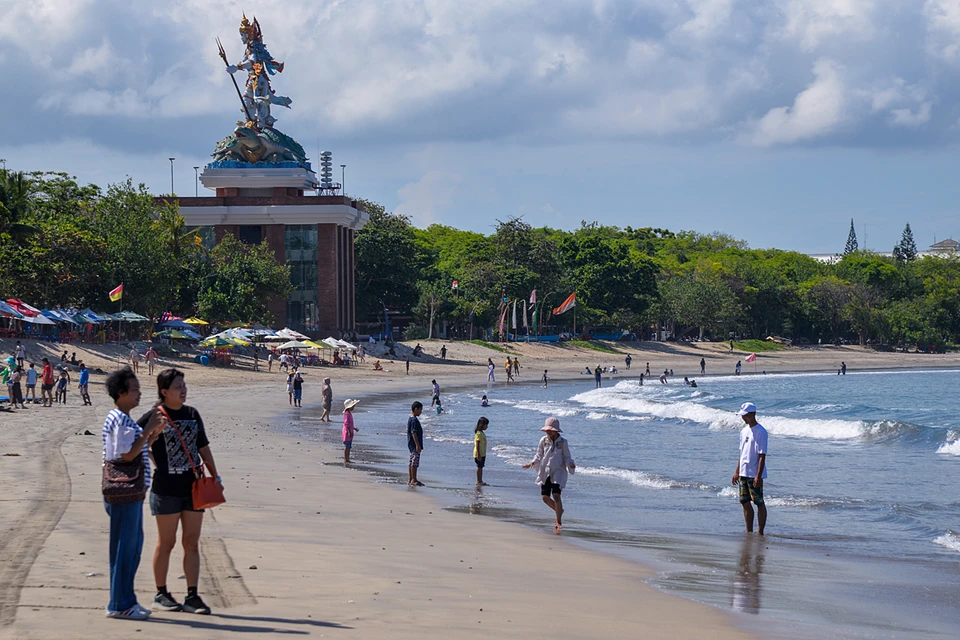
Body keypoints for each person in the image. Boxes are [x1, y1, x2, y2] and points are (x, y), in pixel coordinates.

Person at [138, 368, 220, 615]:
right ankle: (161, 594)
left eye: (184, 385)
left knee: (191, 542)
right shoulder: (154, 416)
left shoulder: (193, 414)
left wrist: (215, 476)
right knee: (167, 542)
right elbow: (136, 445)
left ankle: (192, 596)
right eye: (177, 387)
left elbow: (203, 447)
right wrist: (153, 442)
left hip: (193, 487)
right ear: (164, 392)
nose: (183, 390)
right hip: (165, 488)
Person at [102, 367, 166, 620]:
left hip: (132, 492)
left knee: (132, 547)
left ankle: (126, 599)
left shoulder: (123, 419)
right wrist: (148, 427)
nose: (139, 394)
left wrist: (150, 433)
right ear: (121, 393)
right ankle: (118, 604)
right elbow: (126, 454)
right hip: (124, 491)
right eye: (135, 389)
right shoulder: (118, 418)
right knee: (123, 549)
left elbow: (136, 448)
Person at [522, 417, 575, 534]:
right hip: (545, 471)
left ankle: (558, 520)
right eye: (547, 430)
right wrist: (532, 463)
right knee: (545, 497)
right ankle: (559, 510)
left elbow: (567, 457)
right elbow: (539, 454)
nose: (548, 432)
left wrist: (570, 464)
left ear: (556, 431)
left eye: (550, 430)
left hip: (558, 471)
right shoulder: (543, 440)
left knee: (556, 495)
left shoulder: (563, 442)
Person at [732, 402, 768, 535]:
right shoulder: (743, 431)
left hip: (754, 472)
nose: (743, 418)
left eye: (745, 415)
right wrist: (737, 471)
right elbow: (742, 453)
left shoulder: (761, 432)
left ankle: (760, 531)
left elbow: (762, 455)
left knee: (758, 502)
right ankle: (749, 530)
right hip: (743, 471)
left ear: (753, 414)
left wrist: (758, 476)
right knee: (744, 501)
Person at [407, 401, 424, 486]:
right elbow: (413, 433)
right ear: (416, 409)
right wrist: (417, 445)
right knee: (414, 462)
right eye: (420, 410)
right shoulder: (413, 420)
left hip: (412, 444)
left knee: (412, 461)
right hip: (414, 444)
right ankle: (413, 479)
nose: (421, 412)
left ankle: (411, 479)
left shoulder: (411, 418)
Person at [342, 398, 360, 463]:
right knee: (347, 446)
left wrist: (354, 428)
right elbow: (346, 424)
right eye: (353, 406)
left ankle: (347, 458)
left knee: (349, 446)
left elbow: (350, 424)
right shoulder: (347, 414)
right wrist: (349, 432)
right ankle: (346, 459)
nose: (353, 407)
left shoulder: (349, 413)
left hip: (349, 431)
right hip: (347, 432)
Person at [474, 417, 489, 486]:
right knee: (479, 466)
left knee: (481, 466)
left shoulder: (481, 433)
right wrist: (478, 453)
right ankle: (478, 481)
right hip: (479, 453)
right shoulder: (479, 433)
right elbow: (477, 443)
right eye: (486, 425)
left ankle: (480, 480)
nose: (487, 427)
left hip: (482, 453)